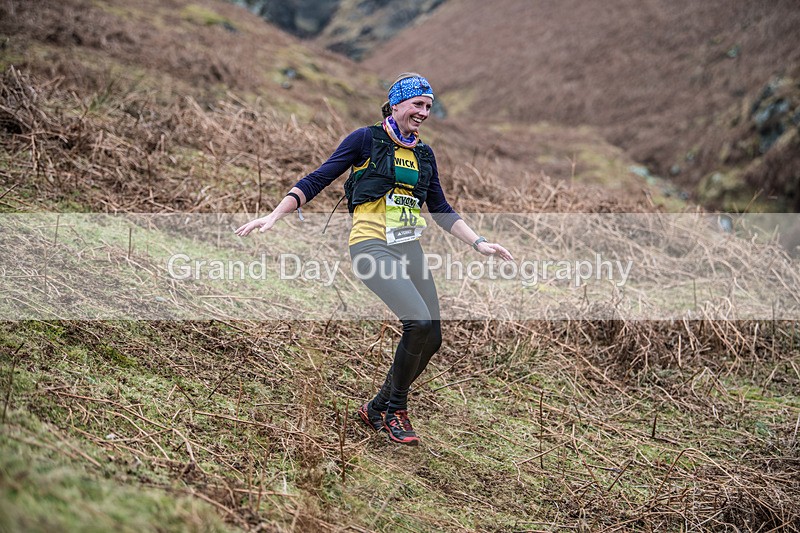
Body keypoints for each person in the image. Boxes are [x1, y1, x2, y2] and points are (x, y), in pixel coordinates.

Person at [235, 73, 513, 446]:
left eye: (429, 106)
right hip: (370, 246)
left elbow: (441, 208)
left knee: (432, 337)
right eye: (418, 104)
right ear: (396, 104)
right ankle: (396, 409)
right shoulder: (365, 139)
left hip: (409, 248)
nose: (424, 112)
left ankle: (378, 405)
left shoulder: (424, 154)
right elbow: (320, 177)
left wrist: (479, 243)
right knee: (416, 321)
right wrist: (274, 214)